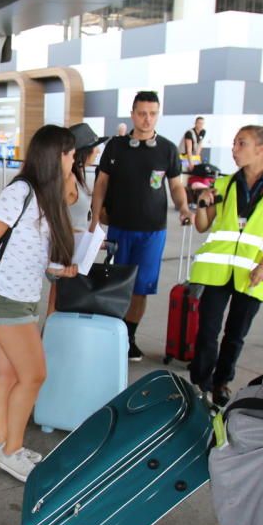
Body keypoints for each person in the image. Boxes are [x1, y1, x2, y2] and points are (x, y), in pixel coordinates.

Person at [0, 125, 78, 482]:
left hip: (26, 296)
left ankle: (0, 441)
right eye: (71, 154)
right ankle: (13, 452)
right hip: (6, 299)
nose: (74, 160)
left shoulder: (45, 195)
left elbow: (30, 251)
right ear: (56, 155)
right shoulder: (20, 192)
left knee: (10, 373)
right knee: (34, 375)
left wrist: (62, 269)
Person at [190, 126, 263, 406]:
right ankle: (200, 381)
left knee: (235, 333)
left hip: (252, 273)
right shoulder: (224, 185)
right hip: (217, 270)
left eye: (241, 143)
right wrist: (201, 203)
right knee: (207, 331)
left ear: (261, 149)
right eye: (234, 143)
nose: (234, 149)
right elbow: (202, 225)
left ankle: (222, 381)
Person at [90, 90, 192, 361]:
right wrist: (94, 215)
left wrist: (183, 207)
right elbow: (101, 183)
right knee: (116, 284)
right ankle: (111, 333)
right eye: (142, 113)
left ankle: (129, 337)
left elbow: (176, 186)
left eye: (153, 113)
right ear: (133, 114)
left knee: (141, 287)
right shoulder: (116, 147)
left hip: (153, 231)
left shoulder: (168, 149)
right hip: (120, 227)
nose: (148, 119)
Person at [46, 123, 107, 316]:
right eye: (94, 147)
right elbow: (53, 216)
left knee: (60, 305)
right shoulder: (67, 179)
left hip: (74, 252)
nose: (97, 151)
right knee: (57, 306)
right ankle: (46, 343)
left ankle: (47, 342)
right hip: (67, 255)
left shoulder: (74, 177)